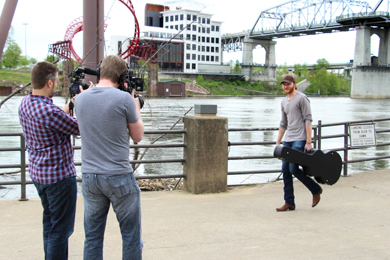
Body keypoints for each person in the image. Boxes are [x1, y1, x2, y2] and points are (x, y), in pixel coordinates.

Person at [74, 55, 144, 260]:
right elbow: (138, 136)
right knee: (131, 236)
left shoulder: (80, 99)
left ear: (100, 72)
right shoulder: (123, 99)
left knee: (93, 237)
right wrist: (136, 109)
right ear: (122, 75)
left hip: (89, 177)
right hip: (118, 176)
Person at [18, 61, 80, 259]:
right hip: (59, 178)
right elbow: (79, 127)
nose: (56, 83)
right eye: (56, 81)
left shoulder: (25, 104)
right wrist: (88, 102)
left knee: (50, 224)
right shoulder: (50, 112)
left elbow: (54, 119)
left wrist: (71, 104)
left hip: (39, 175)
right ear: (49, 83)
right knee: (61, 231)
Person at [275, 75, 322, 212]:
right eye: (283, 84)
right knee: (285, 170)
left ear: (295, 84)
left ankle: (315, 189)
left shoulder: (302, 98)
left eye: (288, 84)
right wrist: (278, 141)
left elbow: (308, 120)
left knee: (293, 169)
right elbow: (283, 123)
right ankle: (289, 202)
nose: (285, 87)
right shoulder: (283, 102)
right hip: (288, 139)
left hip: (299, 139)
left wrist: (308, 141)